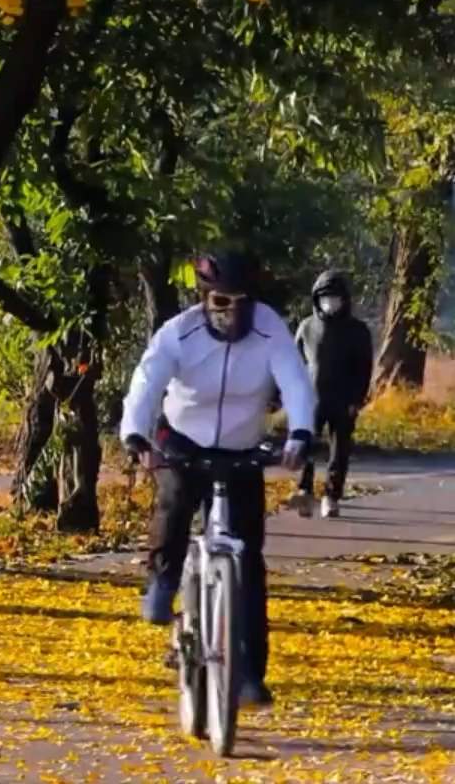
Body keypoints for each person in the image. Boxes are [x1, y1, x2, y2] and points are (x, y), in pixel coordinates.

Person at [119, 247, 314, 709]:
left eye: (242, 301)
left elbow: (296, 381)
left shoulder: (270, 330)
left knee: (249, 560)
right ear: (205, 299)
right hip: (183, 440)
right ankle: (164, 581)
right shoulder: (179, 333)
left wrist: (301, 432)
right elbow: (146, 383)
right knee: (174, 501)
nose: (233, 312)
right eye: (221, 302)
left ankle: (247, 674)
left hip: (242, 449)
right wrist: (134, 435)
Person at [292, 269, 375, 519]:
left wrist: (357, 399)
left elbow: (364, 369)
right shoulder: (306, 328)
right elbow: (293, 364)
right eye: (325, 296)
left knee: (339, 452)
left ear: (345, 299)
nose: (330, 302)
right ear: (317, 298)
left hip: (344, 400)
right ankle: (304, 492)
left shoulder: (358, 331)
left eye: (336, 297)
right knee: (305, 449)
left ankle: (331, 496)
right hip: (311, 401)